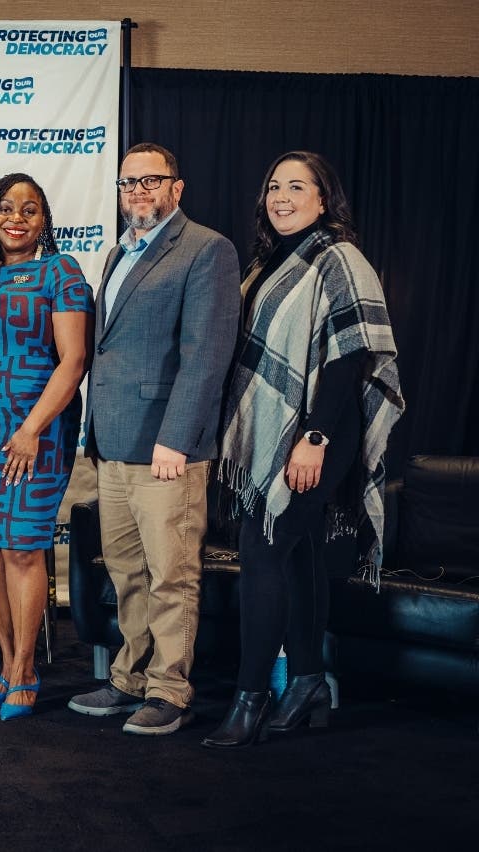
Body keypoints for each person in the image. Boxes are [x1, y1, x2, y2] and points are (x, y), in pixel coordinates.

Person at [203, 151, 404, 749]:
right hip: (280, 429)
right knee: (300, 554)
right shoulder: (269, 260)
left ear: (324, 199)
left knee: (262, 552)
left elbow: (350, 358)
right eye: (273, 187)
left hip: (320, 431)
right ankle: (309, 680)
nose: (282, 196)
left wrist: (312, 438)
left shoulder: (341, 258)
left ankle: (250, 698)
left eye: (297, 186)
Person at [68, 142, 240, 736]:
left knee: (171, 573)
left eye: (150, 181)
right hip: (113, 443)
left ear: (177, 187)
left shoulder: (206, 249)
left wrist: (178, 438)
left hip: (167, 449)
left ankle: (171, 688)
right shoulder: (121, 250)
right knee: (127, 572)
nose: (137, 192)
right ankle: (130, 678)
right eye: (127, 183)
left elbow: (206, 354)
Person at [0, 173, 94, 721]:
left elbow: (73, 361)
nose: (17, 218)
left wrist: (30, 430)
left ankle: (28, 671)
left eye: (29, 210)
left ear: (44, 220)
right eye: (6, 208)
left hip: (36, 434)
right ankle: (6, 666)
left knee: (22, 548)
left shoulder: (62, 272)